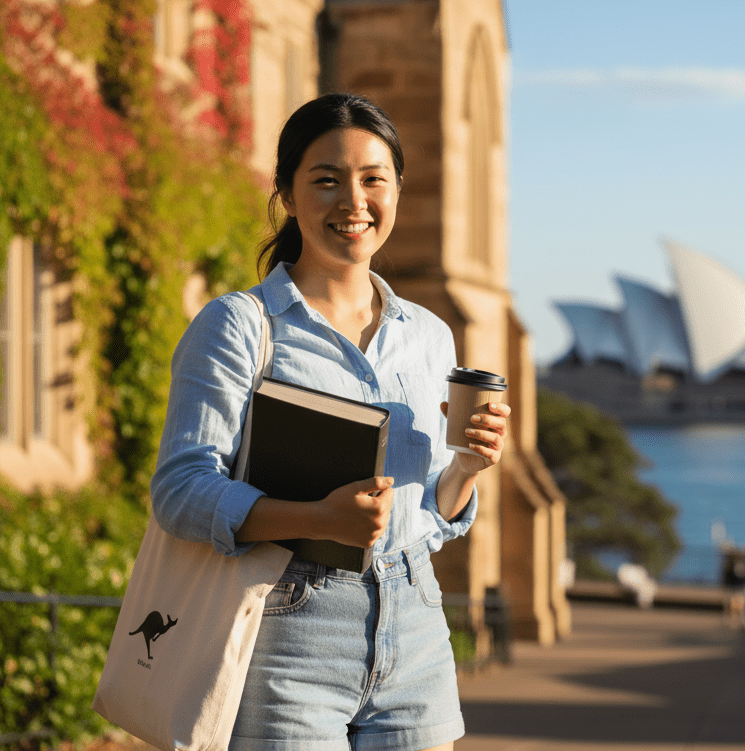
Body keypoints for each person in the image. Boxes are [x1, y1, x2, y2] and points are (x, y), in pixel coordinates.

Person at [150, 93, 510, 751]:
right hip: (288, 630)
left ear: (397, 189)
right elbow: (180, 492)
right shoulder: (239, 325)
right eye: (326, 180)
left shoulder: (430, 337)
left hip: (417, 626)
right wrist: (318, 519)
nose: (354, 201)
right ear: (287, 194)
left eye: (374, 178)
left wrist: (466, 468)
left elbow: (429, 515)